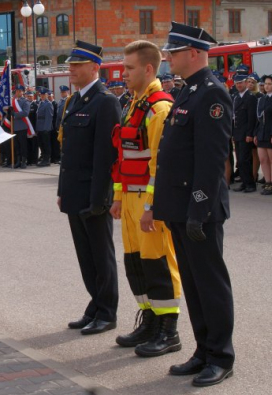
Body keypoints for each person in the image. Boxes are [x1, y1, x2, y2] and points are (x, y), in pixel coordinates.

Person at [154, 22, 233, 387]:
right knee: (194, 283)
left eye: (174, 51)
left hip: (198, 210)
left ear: (196, 53)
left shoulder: (211, 94)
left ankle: (221, 356)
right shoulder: (188, 92)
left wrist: (198, 209)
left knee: (210, 283)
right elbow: (172, 155)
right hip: (179, 208)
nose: (168, 57)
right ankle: (203, 350)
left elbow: (211, 161)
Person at [109, 40, 181, 357]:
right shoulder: (133, 104)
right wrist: (118, 197)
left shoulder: (158, 108)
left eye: (129, 68)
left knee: (158, 263)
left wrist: (152, 207)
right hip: (130, 200)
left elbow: (159, 165)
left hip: (149, 202)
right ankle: (149, 320)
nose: (122, 73)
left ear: (148, 69)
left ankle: (169, 331)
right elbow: (124, 158)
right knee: (136, 263)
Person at [58, 40, 121, 335]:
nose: (71, 69)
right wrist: (62, 190)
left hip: (94, 194)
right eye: (70, 64)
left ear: (95, 68)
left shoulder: (106, 101)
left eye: (77, 65)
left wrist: (101, 198)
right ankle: (95, 305)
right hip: (75, 191)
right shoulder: (75, 101)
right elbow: (68, 152)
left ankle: (107, 312)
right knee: (85, 255)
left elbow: (104, 157)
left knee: (101, 254)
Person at [231, 73, 258, 193]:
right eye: (236, 83)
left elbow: (252, 118)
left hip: (245, 133)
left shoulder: (250, 97)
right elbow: (234, 117)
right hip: (237, 132)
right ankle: (244, 181)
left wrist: (249, 134)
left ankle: (250, 184)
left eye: (241, 83)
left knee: (244, 160)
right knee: (240, 160)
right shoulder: (236, 97)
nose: (238, 85)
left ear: (246, 83)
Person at [256, 75, 272, 195]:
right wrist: (256, 134)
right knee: (263, 159)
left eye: (269, 84)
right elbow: (258, 118)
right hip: (262, 132)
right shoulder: (262, 99)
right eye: (265, 84)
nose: (266, 86)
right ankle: (267, 181)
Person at [35, 88, 54, 167]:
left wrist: (46, 128)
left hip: (45, 127)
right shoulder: (41, 103)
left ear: (47, 95)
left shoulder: (48, 104)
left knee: (46, 144)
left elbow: (49, 117)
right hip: (39, 126)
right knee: (41, 144)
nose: (42, 96)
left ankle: (47, 159)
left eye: (44, 95)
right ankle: (43, 158)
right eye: (41, 95)